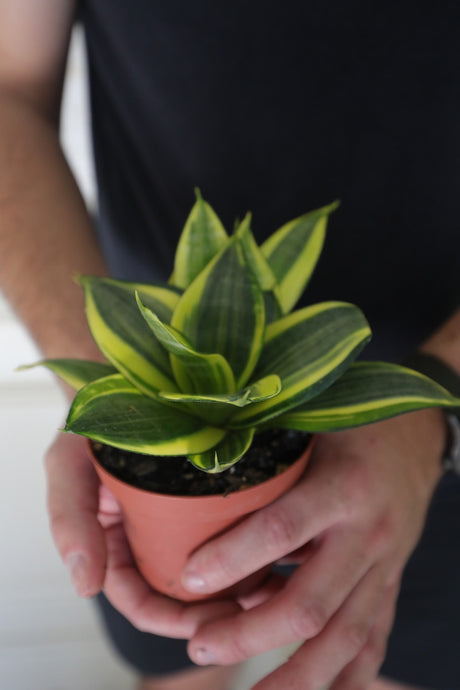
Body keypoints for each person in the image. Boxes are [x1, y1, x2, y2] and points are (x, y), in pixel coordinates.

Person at [1, 2, 459, 689]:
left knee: (376, 663)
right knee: (179, 659)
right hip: (145, 396)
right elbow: (9, 90)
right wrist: (108, 397)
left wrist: (435, 411)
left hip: (425, 437)